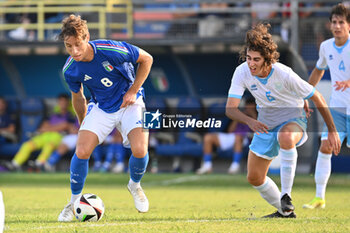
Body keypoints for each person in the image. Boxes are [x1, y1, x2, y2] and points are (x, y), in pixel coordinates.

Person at [226, 23, 341, 218]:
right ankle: (285, 212)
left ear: (267, 60)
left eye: (256, 59)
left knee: (286, 137)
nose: (251, 63)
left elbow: (317, 97)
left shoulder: (283, 73)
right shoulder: (242, 72)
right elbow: (230, 109)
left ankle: (286, 194)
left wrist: (331, 130)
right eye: (248, 58)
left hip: (293, 118)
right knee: (254, 177)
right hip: (265, 123)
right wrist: (250, 122)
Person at [57, 14, 153, 222]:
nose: (74, 51)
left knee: (140, 149)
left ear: (87, 37)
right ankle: (73, 202)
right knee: (81, 150)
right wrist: (83, 125)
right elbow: (79, 98)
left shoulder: (111, 49)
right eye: (68, 46)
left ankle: (135, 185)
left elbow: (147, 59)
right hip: (100, 106)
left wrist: (133, 90)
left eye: (77, 44)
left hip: (132, 102)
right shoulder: (70, 69)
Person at [303, 4, 350, 210]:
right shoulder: (326, 47)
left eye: (341, 22)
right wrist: (305, 92)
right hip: (337, 108)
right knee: (326, 146)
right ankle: (319, 197)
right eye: (334, 22)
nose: (337, 26)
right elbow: (318, 70)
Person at [4, 94, 75, 171]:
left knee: (49, 146)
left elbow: (69, 128)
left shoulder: (70, 116)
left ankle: (38, 164)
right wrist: (59, 127)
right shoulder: (52, 115)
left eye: (65, 102)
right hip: (44, 136)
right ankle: (14, 164)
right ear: (58, 102)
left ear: (68, 103)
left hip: (57, 137)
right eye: (61, 101)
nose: (63, 104)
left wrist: (53, 127)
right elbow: (42, 128)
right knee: (27, 145)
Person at [196, 99, 256, 175]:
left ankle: (235, 166)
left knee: (238, 137)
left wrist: (253, 115)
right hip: (232, 137)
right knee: (208, 137)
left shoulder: (257, 116)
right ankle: (207, 166)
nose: (249, 108)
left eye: (251, 105)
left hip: (245, 139)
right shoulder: (241, 114)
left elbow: (258, 130)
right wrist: (240, 117)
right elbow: (230, 131)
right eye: (247, 105)